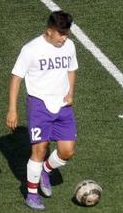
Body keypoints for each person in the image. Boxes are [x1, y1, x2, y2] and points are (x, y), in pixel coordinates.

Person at [6, 11, 79, 211]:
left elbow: (71, 69)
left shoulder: (70, 46)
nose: (65, 38)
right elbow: (16, 77)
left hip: (63, 106)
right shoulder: (31, 50)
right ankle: (31, 195)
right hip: (39, 105)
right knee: (39, 149)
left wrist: (71, 93)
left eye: (67, 34)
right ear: (50, 30)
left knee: (67, 151)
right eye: (61, 34)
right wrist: (12, 110)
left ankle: (45, 170)